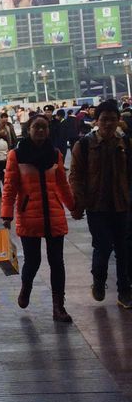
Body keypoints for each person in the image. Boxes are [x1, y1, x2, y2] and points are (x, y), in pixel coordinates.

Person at [1, 114, 75, 322]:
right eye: (37, 127)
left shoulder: (55, 154)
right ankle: (26, 288)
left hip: (54, 215)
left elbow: (62, 185)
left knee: (57, 262)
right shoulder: (16, 155)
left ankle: (58, 306)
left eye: (44, 127)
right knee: (33, 261)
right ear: (28, 130)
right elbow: (10, 187)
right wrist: (6, 214)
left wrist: (73, 207)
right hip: (29, 216)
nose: (41, 131)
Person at [69, 99, 132, 307]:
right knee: (102, 246)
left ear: (118, 121)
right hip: (96, 206)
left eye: (112, 120)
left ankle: (125, 291)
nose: (108, 124)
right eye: (104, 119)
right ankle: (99, 280)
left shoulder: (126, 143)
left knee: (124, 249)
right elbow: (76, 176)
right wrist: (79, 201)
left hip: (121, 204)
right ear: (96, 121)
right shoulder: (85, 144)